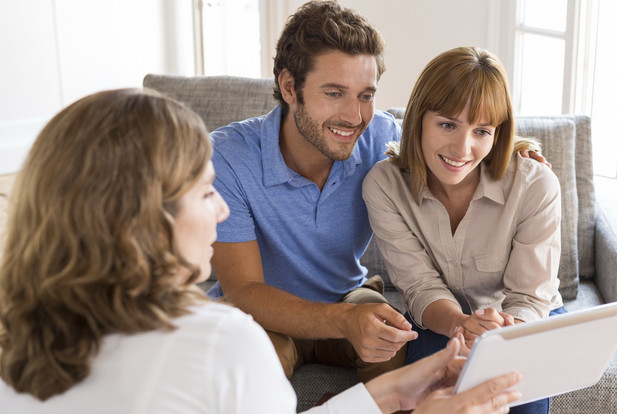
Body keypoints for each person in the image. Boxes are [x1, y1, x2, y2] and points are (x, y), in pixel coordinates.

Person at [0, 88, 524, 413]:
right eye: (206, 192)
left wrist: (395, 392)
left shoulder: (17, 337)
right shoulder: (221, 343)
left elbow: (432, 140)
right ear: (144, 215)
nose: (222, 210)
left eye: (365, 94)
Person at [207, 0, 547, 382]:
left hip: (348, 294)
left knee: (395, 337)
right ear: (289, 87)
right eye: (334, 93)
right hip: (263, 314)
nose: (354, 117)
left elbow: (447, 147)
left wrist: (515, 152)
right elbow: (244, 291)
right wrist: (343, 321)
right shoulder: (228, 158)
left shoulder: (378, 137)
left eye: (366, 96)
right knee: (253, 361)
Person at [362, 46, 567, 414]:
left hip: (522, 319)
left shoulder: (536, 184)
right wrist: (462, 324)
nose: (462, 148)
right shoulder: (384, 185)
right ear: (418, 119)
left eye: (482, 131)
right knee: (429, 396)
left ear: (497, 133)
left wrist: (497, 336)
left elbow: (529, 297)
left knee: (521, 398)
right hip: (443, 319)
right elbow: (421, 286)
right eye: (447, 124)